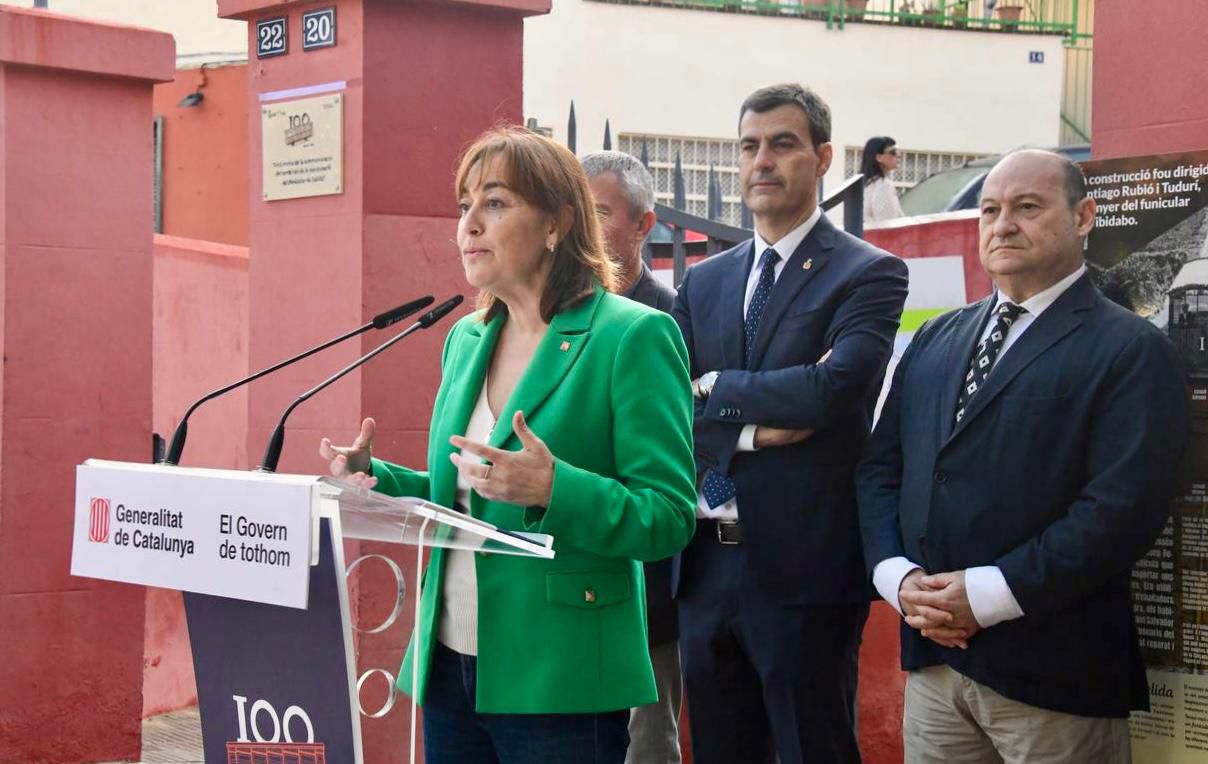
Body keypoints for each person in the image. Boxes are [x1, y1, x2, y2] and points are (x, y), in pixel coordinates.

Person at [319, 126, 697, 763]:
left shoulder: (633, 336)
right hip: (451, 658)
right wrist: (377, 478)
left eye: (495, 203)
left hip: (562, 672)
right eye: (464, 205)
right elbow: (468, 493)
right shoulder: (467, 337)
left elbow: (667, 516)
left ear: (557, 224)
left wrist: (555, 489)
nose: (469, 224)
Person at [857, 149, 1188, 763]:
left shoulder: (1131, 350)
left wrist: (987, 595)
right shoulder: (937, 336)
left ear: (1084, 216)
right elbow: (881, 468)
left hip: (1054, 675)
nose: (1002, 224)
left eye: (1027, 207)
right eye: (989, 210)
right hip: (933, 664)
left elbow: (1122, 510)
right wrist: (897, 579)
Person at [671, 83, 909, 764]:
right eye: (749, 146)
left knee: (813, 750)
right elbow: (665, 406)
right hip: (705, 564)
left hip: (804, 572)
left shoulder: (869, 274)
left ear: (823, 156)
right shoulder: (705, 283)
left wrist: (713, 389)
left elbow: (832, 390)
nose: (761, 161)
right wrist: (748, 428)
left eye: (782, 144)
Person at [582, 150, 682, 764]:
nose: (580, 228)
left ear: (644, 226)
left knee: (644, 745)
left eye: (600, 212)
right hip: (559, 580)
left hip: (644, 587)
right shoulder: (546, 317)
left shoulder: (663, 320)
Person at [861, 136, 904, 223]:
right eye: (893, 152)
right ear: (879, 158)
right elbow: (888, 224)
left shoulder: (866, 184)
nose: (898, 155)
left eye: (898, 151)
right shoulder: (884, 185)